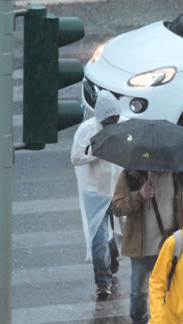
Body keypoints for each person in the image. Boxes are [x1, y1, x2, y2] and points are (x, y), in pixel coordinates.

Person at [111, 169, 183, 324]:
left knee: (172, 293)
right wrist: (139, 195)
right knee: (138, 292)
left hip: (169, 245)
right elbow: (117, 206)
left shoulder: (178, 173)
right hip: (141, 247)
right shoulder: (132, 174)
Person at [71, 90, 124, 299]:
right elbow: (75, 157)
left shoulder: (124, 125)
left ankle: (112, 255)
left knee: (122, 233)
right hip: (96, 191)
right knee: (98, 238)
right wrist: (96, 152)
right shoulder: (86, 131)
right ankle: (103, 281)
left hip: (119, 188)